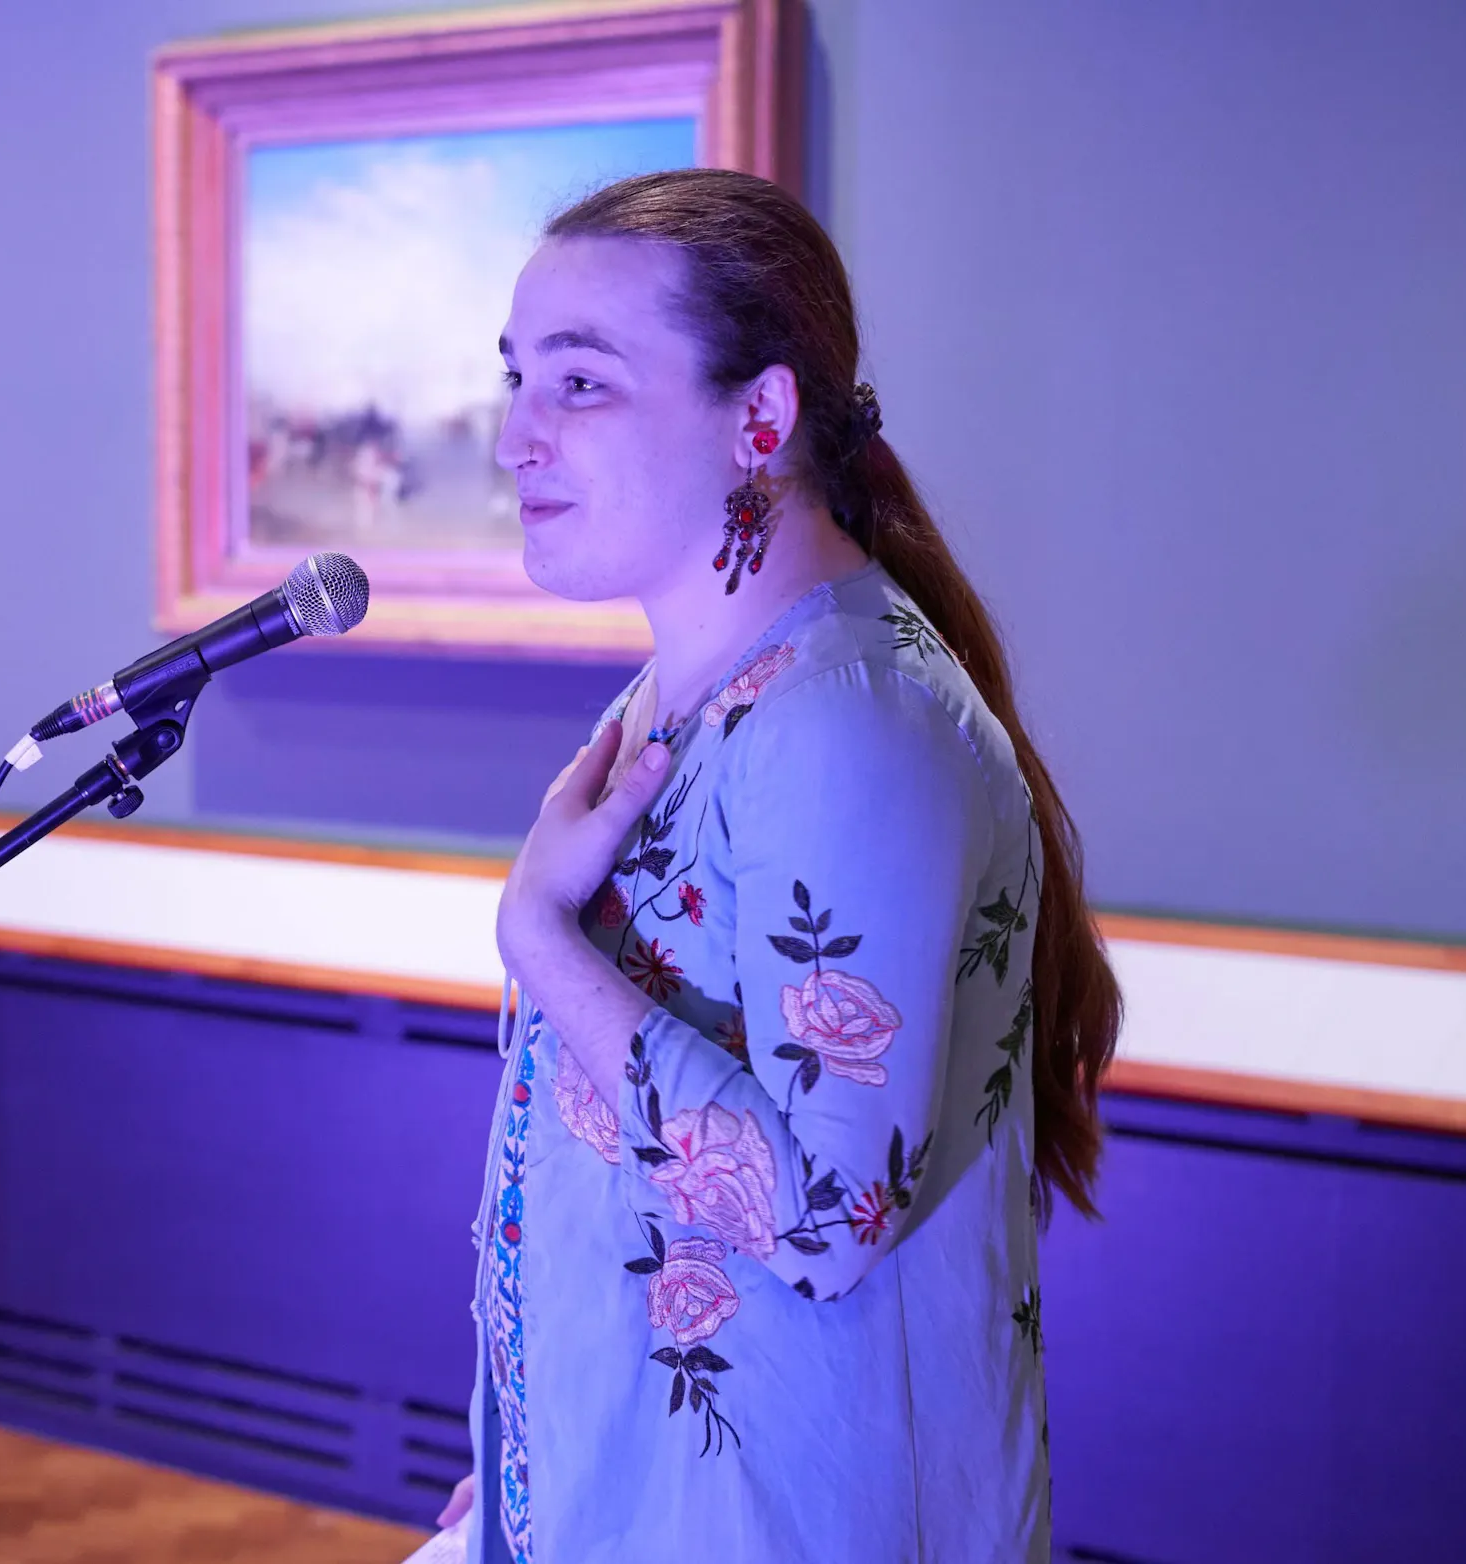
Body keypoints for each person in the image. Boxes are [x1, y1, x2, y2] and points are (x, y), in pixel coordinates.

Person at [425, 169, 1123, 1562]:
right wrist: (537, 1447)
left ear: (759, 417)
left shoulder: (842, 722)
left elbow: (821, 1220)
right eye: (515, 379)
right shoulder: (683, 694)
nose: (513, 438)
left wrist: (542, 941)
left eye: (580, 384)